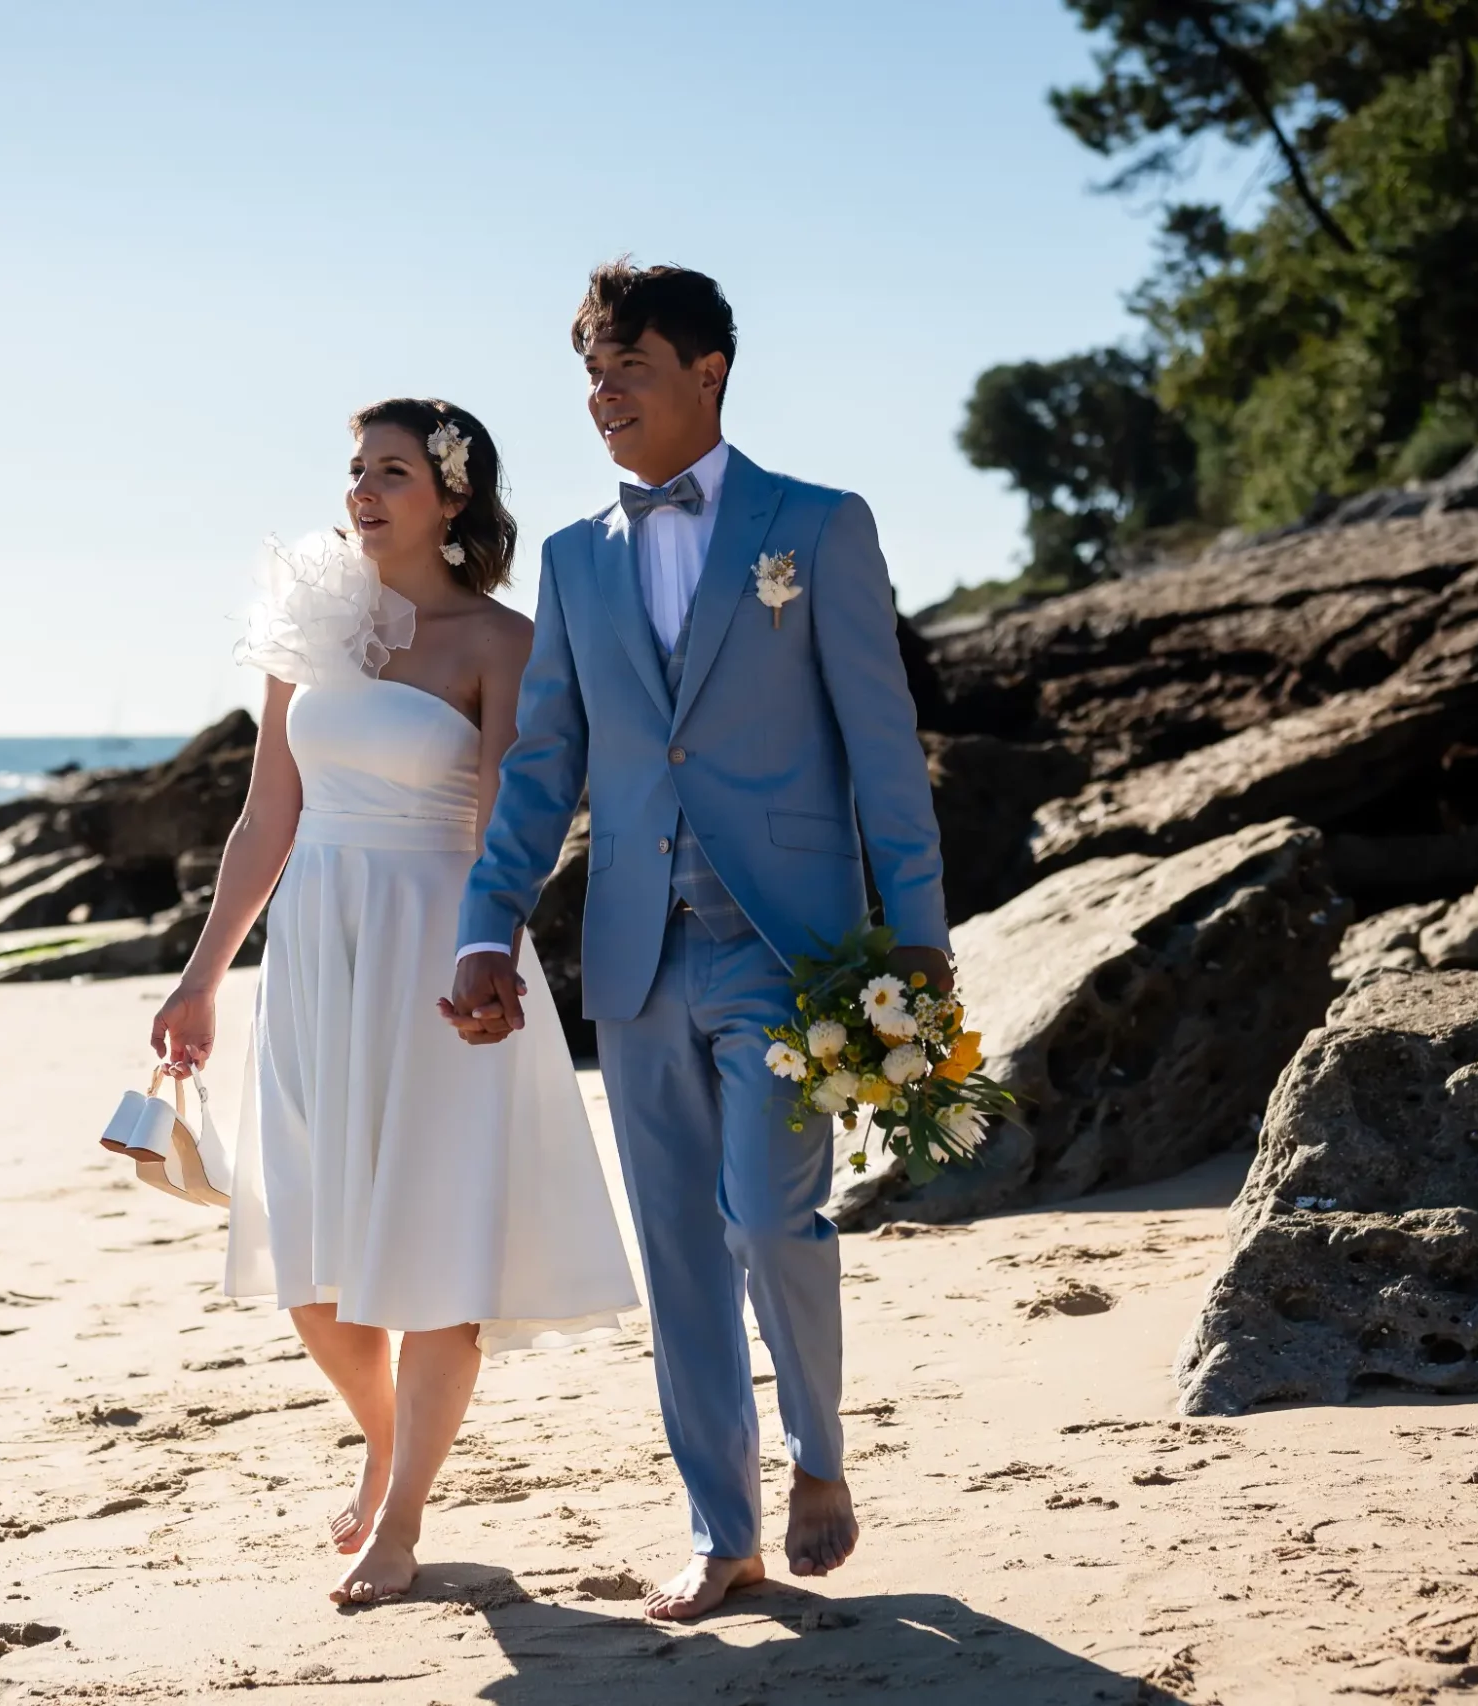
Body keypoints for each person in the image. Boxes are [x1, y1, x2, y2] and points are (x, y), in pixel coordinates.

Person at [444, 263, 951, 1621]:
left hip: (791, 951)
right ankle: (724, 1532)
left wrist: (918, 940)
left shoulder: (819, 526)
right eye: (592, 375)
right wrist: (486, 924)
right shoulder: (570, 558)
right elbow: (545, 767)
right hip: (634, 953)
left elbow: (885, 750)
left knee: (773, 1218)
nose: (605, 397)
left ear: (709, 370)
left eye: (630, 369)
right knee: (677, 1251)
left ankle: (821, 1461)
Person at [148, 398, 638, 1606]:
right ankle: (385, 1440)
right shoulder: (309, 630)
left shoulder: (499, 642)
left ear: (452, 495)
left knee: (433, 1239)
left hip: (439, 945)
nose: (363, 491)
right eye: (356, 470)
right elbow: (268, 815)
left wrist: (490, 949)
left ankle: (403, 1515)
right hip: (316, 950)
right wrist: (203, 973)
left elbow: (504, 826)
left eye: (393, 471)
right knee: (306, 1255)